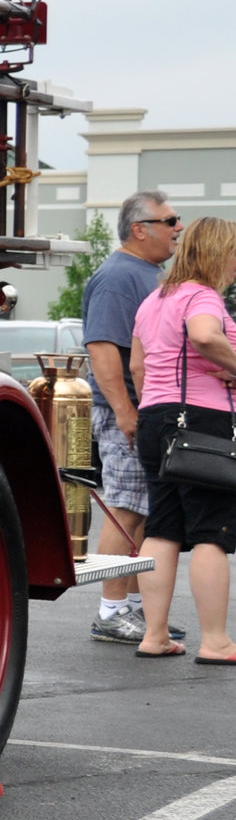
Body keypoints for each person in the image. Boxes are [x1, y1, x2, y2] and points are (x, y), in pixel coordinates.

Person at [127, 215, 236, 661]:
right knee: (214, 529)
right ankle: (216, 640)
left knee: (163, 526)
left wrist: (156, 402)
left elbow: (137, 365)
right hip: (199, 421)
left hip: (154, 417)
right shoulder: (202, 296)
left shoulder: (155, 299)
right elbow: (206, 335)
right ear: (218, 254)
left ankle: (154, 634)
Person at [85, 193, 183, 643]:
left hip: (143, 411)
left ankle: (134, 610)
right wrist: (126, 411)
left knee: (144, 511)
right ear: (140, 228)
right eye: (169, 221)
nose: (178, 228)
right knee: (126, 509)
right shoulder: (120, 276)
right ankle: (111, 611)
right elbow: (103, 347)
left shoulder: (143, 273)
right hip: (127, 411)